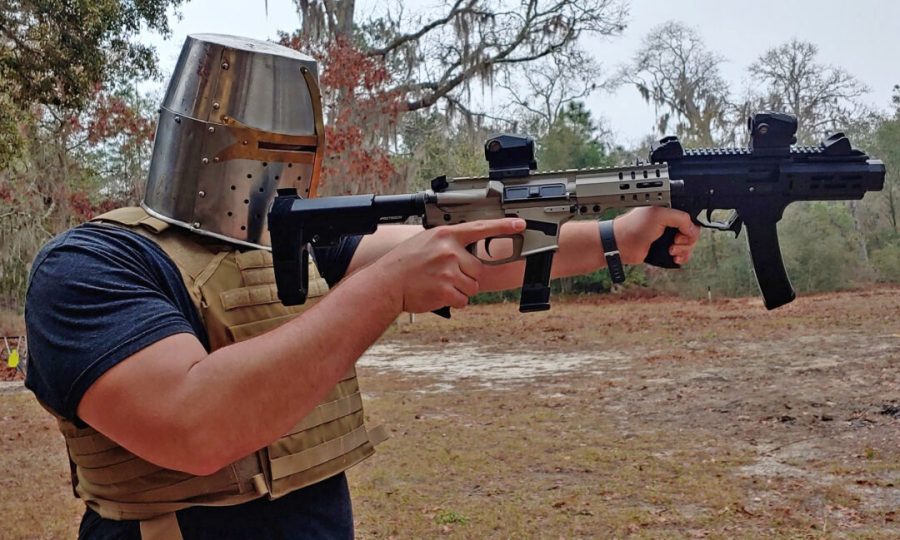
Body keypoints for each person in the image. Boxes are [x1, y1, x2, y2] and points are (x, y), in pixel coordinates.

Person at [24, 34, 700, 539]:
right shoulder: (92, 266)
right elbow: (195, 428)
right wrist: (384, 291)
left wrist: (620, 236)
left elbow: (466, 253)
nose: (282, 171)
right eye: (267, 151)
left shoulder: (280, 240)